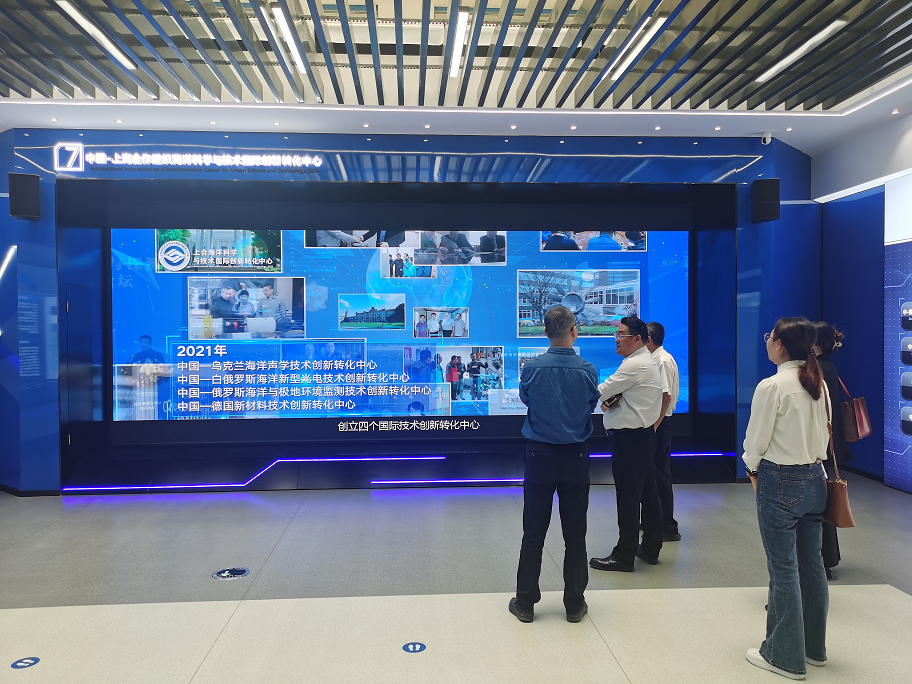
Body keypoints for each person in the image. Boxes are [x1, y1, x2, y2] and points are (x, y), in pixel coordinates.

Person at [743, 317, 830, 680]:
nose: (767, 341)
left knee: (783, 570)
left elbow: (756, 440)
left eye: (770, 336)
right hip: (816, 479)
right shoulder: (817, 382)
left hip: (781, 480)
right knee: (812, 565)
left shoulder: (772, 385)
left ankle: (785, 657)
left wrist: (751, 469)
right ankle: (813, 649)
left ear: (779, 344)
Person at [510, 305, 600, 624]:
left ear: (545, 332)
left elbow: (526, 400)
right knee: (575, 535)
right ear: (575, 331)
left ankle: (525, 603)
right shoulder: (587, 370)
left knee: (533, 533)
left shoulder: (532, 368)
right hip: (575, 457)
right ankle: (574, 604)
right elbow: (591, 403)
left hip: (539, 457)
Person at [590, 316, 664, 572]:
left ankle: (623, 555)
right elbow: (619, 394)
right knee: (648, 494)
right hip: (642, 437)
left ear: (638, 339)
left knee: (629, 497)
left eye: (621, 334)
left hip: (630, 440)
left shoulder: (634, 365)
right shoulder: (645, 361)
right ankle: (651, 547)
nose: (617, 339)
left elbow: (601, 391)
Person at [814, 321, 850, 580]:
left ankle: (823, 560)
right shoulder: (828, 365)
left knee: (819, 505)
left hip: (822, 447)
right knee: (823, 503)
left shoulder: (818, 369)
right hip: (829, 444)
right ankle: (827, 558)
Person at [646, 322, 681, 542]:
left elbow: (665, 397)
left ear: (648, 340)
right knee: (652, 474)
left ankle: (668, 526)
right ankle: (654, 520)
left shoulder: (663, 361)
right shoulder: (654, 358)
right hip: (656, 423)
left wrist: (654, 427)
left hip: (659, 424)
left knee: (660, 475)